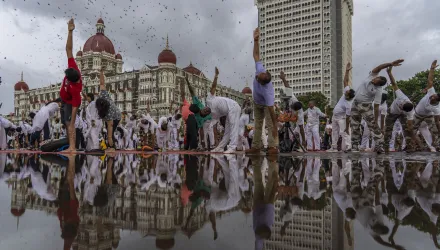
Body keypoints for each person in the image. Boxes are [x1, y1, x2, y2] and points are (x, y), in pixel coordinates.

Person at [350, 59, 404, 153]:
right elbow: (379, 67)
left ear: (379, 85)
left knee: (373, 126)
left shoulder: (378, 90)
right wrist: (390, 63)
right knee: (354, 125)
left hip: (365, 106)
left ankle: (379, 145)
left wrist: (375, 119)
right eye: (375, 79)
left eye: (376, 82)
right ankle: (354, 147)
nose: (374, 81)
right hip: (355, 104)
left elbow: (376, 106)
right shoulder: (371, 76)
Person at [246, 28, 278, 155]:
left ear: (262, 82)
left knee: (270, 125)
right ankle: (256, 147)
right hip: (256, 102)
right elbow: (256, 55)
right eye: (258, 75)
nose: (256, 76)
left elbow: (271, 110)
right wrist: (256, 41)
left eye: (257, 79)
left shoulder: (267, 92)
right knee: (257, 125)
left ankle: (272, 147)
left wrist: (276, 126)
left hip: (265, 104)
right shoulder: (260, 70)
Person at [198, 67, 241, 154]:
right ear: (207, 115)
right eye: (205, 112)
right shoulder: (213, 116)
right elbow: (212, 125)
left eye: (203, 109)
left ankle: (233, 147)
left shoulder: (209, 100)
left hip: (233, 106)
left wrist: (216, 76)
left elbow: (213, 87)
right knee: (227, 131)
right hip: (228, 112)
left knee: (233, 127)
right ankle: (220, 148)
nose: (205, 110)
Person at [60, 18, 83, 153]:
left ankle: (72, 147)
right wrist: (70, 32)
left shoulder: (75, 91)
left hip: (70, 102)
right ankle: (71, 145)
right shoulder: (74, 68)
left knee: (70, 123)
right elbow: (68, 49)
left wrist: (72, 121)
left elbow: (74, 109)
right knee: (65, 123)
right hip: (64, 100)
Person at [383, 66, 417, 153]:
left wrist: (414, 137)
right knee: (388, 129)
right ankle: (386, 147)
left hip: (402, 115)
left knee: (406, 129)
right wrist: (389, 73)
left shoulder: (410, 112)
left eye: (402, 108)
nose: (401, 107)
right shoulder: (401, 96)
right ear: (403, 103)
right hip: (392, 113)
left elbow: (409, 125)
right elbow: (394, 84)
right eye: (401, 106)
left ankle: (409, 146)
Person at [412, 60, 440, 151]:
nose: (431, 97)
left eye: (433, 99)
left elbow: (437, 121)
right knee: (411, 130)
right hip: (417, 114)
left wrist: (438, 130)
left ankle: (435, 146)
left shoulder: (436, 109)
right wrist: (432, 69)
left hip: (428, 116)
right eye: (433, 96)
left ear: (436, 101)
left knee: (434, 131)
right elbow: (430, 80)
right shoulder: (431, 92)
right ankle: (411, 147)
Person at [252, 155, 278, 250]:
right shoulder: (267, 220)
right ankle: (271, 162)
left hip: (260, 206)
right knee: (269, 182)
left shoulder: (257, 233)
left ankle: (257, 162)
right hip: (265, 205)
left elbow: (259, 240)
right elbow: (271, 201)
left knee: (259, 182)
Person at [328, 63, 355, 152]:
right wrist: (347, 71)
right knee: (334, 132)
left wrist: (347, 127)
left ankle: (348, 147)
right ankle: (334, 147)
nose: (345, 94)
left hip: (342, 118)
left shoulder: (349, 104)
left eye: (346, 94)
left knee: (345, 132)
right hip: (334, 116)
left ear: (350, 97)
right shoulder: (346, 92)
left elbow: (348, 117)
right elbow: (345, 81)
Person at [95, 68, 122, 152]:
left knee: (110, 133)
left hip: (116, 116)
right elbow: (102, 83)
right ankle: (110, 145)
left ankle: (112, 147)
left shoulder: (108, 113)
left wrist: (110, 139)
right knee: (107, 132)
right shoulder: (103, 95)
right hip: (112, 112)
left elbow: (110, 126)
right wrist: (101, 73)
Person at [186, 76, 214, 150]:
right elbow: (192, 92)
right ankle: (208, 145)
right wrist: (188, 82)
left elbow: (192, 92)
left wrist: (188, 83)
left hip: (208, 119)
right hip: (209, 119)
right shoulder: (197, 107)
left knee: (205, 131)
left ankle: (205, 146)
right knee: (207, 131)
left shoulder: (197, 108)